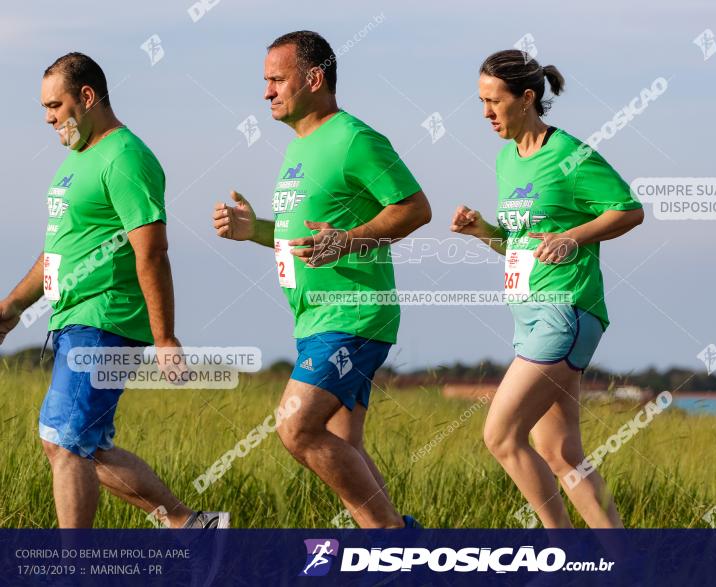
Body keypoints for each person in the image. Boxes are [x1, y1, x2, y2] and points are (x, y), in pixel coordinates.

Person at [213, 31, 431, 528]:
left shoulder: (356, 139)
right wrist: (255, 231)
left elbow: (416, 209)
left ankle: (398, 542)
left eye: (275, 80)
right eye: (264, 81)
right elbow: (308, 237)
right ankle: (394, 557)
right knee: (344, 450)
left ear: (314, 78)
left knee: (295, 427)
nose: (266, 92)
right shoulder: (298, 149)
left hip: (353, 313)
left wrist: (350, 240)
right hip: (313, 319)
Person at [0, 53, 227, 528]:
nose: (48, 118)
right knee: (85, 446)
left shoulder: (126, 157)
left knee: (64, 441)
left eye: (55, 105)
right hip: (72, 320)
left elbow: (153, 250)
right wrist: (12, 307)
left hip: (105, 320)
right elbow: (57, 251)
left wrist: (165, 339)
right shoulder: (76, 163)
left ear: (87, 97)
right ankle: (193, 527)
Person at [450, 49, 644, 528]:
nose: (485, 113)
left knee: (500, 436)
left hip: (566, 311)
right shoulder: (506, 161)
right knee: (560, 451)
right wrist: (484, 233)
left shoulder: (570, 156)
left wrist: (572, 236)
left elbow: (629, 209)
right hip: (529, 316)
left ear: (527, 98)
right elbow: (522, 246)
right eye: (481, 101)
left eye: (493, 101)